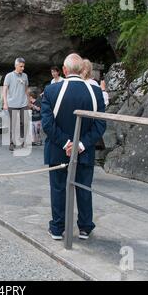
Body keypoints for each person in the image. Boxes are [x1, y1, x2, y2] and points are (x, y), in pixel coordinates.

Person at [41, 53, 106, 241]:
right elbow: (100, 124)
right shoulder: (95, 92)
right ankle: (85, 227)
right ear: (82, 69)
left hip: (57, 149)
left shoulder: (52, 91)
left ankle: (57, 228)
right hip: (84, 150)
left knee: (58, 188)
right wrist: (80, 144)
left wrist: (66, 143)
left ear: (64, 70)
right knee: (84, 187)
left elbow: (47, 124)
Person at [3, 57, 30, 151]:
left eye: (23, 66)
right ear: (16, 65)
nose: (23, 68)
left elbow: (26, 89)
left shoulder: (25, 76)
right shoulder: (9, 76)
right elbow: (5, 90)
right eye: (21, 66)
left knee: (24, 123)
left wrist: (29, 102)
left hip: (23, 104)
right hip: (12, 104)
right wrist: (5, 103)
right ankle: (11, 143)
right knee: (13, 124)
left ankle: (22, 140)